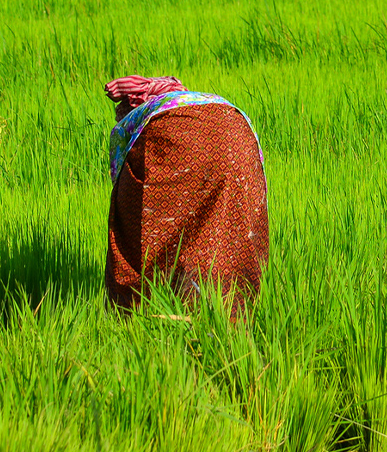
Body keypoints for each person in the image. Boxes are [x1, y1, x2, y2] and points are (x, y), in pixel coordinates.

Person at [103, 75, 269, 314]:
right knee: (226, 235)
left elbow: (119, 175)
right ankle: (230, 313)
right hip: (237, 140)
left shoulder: (136, 117)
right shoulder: (210, 100)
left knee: (140, 233)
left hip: (172, 137)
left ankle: (138, 313)